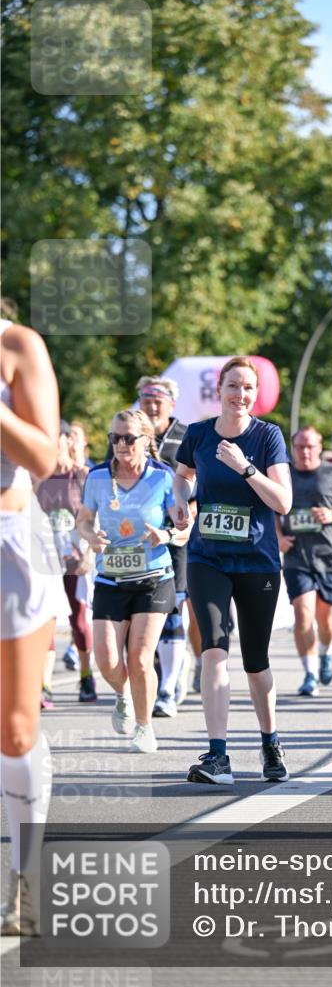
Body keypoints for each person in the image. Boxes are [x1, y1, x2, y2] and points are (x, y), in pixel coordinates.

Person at [173, 357, 292, 784]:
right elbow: (183, 476)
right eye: (233, 386)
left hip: (258, 561)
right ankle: (218, 755)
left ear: (254, 395)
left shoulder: (268, 436)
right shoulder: (199, 433)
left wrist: (246, 467)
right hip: (208, 557)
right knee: (214, 650)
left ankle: (270, 741)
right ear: (218, 390)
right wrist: (178, 501)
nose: (240, 395)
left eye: (247, 388)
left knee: (256, 663)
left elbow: (283, 502)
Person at [77, 410, 186, 753]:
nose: (120, 444)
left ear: (146, 440)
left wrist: (166, 534)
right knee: (107, 661)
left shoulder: (163, 477)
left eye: (128, 438)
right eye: (114, 438)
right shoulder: (96, 478)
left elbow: (185, 527)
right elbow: (83, 520)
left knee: (140, 657)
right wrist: (91, 538)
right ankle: (123, 694)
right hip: (111, 578)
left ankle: (144, 726)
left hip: (154, 577)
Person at [1, 313, 60, 935]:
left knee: (15, 731)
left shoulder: (16, 344)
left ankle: (26, 879)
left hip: (11, 548)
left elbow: (43, 455)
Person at [277, 426, 332, 697]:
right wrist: (279, 536)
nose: (305, 452)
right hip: (297, 557)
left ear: (320, 448)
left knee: (327, 618)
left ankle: (326, 652)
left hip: (329, 556)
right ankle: (309, 673)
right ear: (293, 449)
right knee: (303, 614)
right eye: (300, 447)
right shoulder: (284, 475)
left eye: (310, 446)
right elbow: (272, 509)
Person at [136, 376, 191, 716]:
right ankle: (158, 677)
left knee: (172, 609)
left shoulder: (186, 437)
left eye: (158, 400)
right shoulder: (132, 434)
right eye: (146, 400)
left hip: (176, 537)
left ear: (172, 403)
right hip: (137, 538)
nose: (152, 406)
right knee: (143, 613)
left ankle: (167, 688)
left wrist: (185, 524)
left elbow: (198, 484)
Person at [35, 420, 97, 703]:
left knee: (78, 620)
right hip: (45, 560)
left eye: (56, 440)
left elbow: (99, 519)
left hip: (77, 559)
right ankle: (44, 685)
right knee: (45, 620)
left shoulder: (82, 475)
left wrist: (89, 555)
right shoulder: (38, 477)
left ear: (67, 442)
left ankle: (86, 675)